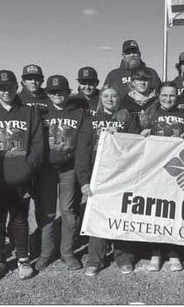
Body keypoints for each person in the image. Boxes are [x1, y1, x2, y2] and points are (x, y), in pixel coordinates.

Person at [0, 70, 44, 284]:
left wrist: (28, 166)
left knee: (19, 218)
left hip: (20, 175)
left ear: (17, 86)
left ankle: (23, 258)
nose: (6, 91)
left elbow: (37, 142)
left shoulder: (28, 111)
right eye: (1, 87)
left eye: (9, 86)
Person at [76, 85, 141, 276]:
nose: (110, 99)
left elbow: (135, 147)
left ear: (119, 99)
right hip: (99, 176)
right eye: (106, 96)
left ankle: (123, 257)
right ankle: (95, 258)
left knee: (121, 215)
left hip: (122, 176)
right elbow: (82, 152)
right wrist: (84, 180)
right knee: (98, 216)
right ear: (100, 99)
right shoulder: (90, 121)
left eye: (114, 96)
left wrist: (119, 136)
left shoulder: (129, 119)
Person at [35, 75, 87, 272]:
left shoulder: (79, 113)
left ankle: (67, 252)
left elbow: (84, 141)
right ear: (47, 93)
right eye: (53, 91)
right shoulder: (40, 112)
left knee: (68, 211)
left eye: (61, 91)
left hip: (69, 168)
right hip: (47, 168)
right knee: (47, 212)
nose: (57, 94)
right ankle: (46, 252)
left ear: (68, 92)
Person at [140, 82, 184, 272]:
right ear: (158, 95)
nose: (168, 99)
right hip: (155, 170)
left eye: (172, 95)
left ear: (177, 96)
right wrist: (141, 135)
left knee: (175, 210)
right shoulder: (149, 115)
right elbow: (138, 142)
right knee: (156, 210)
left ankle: (174, 251)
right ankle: (156, 251)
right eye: (164, 95)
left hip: (176, 169)